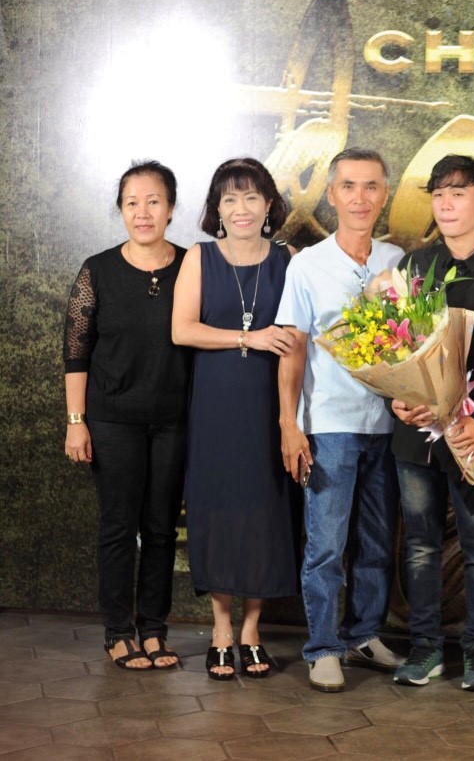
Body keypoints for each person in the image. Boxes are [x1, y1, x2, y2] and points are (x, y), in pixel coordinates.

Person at [388, 155, 474, 692]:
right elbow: (392, 346)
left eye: (458, 193)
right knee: (419, 546)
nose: (445, 204)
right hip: (415, 432)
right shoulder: (413, 266)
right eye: (438, 194)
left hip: (473, 432)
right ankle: (424, 649)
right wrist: (399, 400)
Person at [275, 148, 406, 693]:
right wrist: (289, 423)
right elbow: (292, 351)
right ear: (330, 194)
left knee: (377, 543)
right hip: (329, 423)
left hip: (388, 425)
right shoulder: (307, 264)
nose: (360, 197)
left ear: (385, 194)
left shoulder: (397, 260)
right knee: (326, 544)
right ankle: (323, 646)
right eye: (348, 186)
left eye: (371, 186)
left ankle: (363, 634)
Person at [171, 158, 301, 681]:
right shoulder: (200, 257)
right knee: (219, 507)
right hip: (215, 404)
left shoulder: (288, 259)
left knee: (263, 510)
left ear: (268, 205)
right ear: (217, 209)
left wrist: (290, 420)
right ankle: (221, 628)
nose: (241, 208)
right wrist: (249, 337)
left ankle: (252, 630)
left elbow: (299, 339)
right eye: (229, 199)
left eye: (251, 197)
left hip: (270, 405)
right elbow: (182, 329)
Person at [63, 161, 191, 671]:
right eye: (132, 202)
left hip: (175, 419)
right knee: (119, 527)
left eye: (153, 201)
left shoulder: (193, 266)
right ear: (120, 210)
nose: (143, 212)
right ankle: (118, 632)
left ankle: (154, 630)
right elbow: (76, 350)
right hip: (112, 419)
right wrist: (76, 422)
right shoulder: (98, 270)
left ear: (171, 208)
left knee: (161, 530)